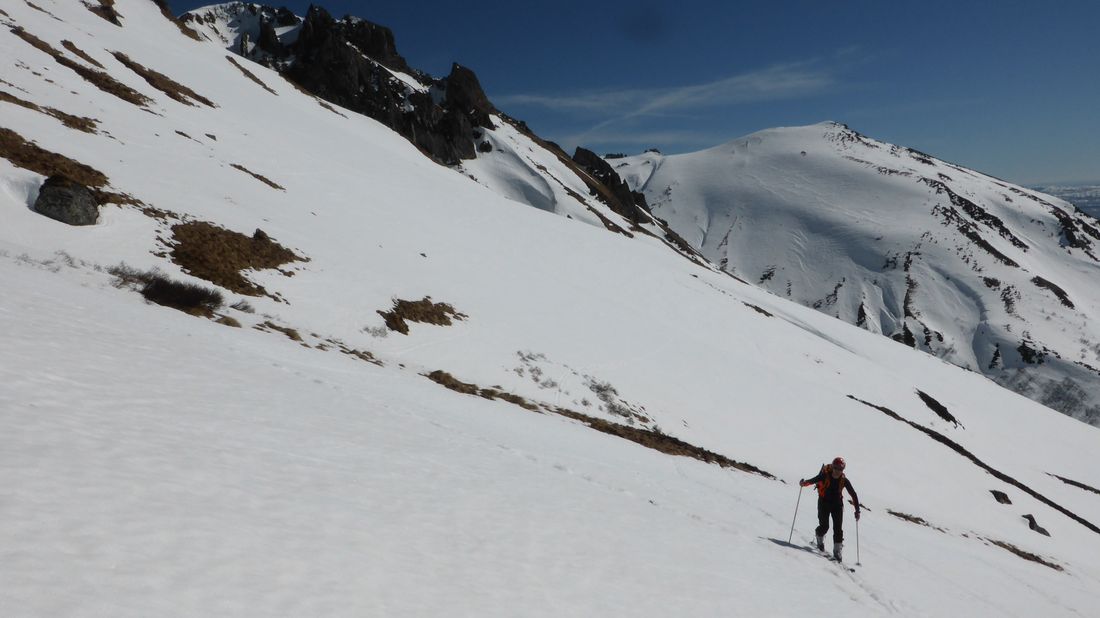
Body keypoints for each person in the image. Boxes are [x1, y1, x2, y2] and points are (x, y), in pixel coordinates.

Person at [800, 456, 860, 561]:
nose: (837, 471)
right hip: (824, 503)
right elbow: (813, 480)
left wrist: (857, 510)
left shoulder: (844, 480)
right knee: (824, 526)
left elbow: (853, 495)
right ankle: (819, 537)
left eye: (840, 469)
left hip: (837, 505)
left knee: (838, 529)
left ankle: (837, 551)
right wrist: (803, 484)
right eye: (836, 468)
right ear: (832, 467)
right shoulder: (825, 476)